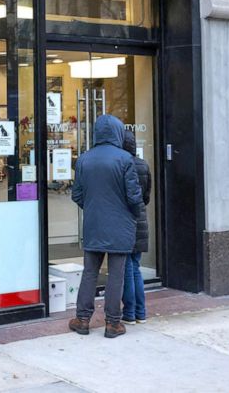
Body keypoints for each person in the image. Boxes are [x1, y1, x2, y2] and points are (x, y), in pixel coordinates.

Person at [68, 114, 143, 339]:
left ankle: (82, 319)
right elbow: (134, 196)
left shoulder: (83, 159)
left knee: (90, 272)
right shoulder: (125, 159)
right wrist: (132, 216)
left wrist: (91, 208)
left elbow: (77, 195)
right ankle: (113, 323)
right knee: (116, 275)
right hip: (120, 225)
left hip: (93, 223)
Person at [122, 130, 152, 326]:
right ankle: (141, 312)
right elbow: (146, 196)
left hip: (126, 221)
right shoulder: (143, 164)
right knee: (135, 268)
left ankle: (130, 312)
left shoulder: (122, 165)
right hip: (141, 219)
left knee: (128, 268)